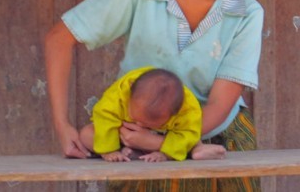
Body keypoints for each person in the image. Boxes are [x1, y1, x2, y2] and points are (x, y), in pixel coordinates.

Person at [45, 0, 263, 190]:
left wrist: (164, 143)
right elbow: (59, 38)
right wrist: (62, 125)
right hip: (135, 132)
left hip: (213, 135)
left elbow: (217, 108)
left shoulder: (247, 13)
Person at [79, 66, 226, 162]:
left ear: (176, 112)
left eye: (150, 124)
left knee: (192, 137)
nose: (140, 125)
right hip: (120, 134)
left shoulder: (187, 109)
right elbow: (104, 116)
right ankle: (122, 152)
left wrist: (165, 154)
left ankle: (197, 150)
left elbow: (188, 131)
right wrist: (109, 150)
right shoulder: (119, 94)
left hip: (162, 138)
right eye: (136, 117)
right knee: (86, 134)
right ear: (129, 92)